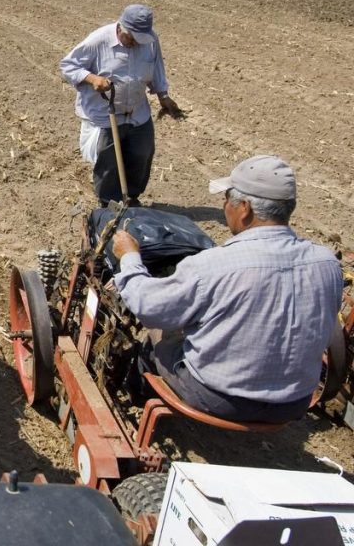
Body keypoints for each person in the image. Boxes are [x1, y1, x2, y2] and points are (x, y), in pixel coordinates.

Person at [111, 155, 342, 423]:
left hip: (219, 399)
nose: (224, 206)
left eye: (227, 198)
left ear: (244, 208)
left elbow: (148, 307)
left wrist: (129, 257)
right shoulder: (327, 263)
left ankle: (138, 396)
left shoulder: (213, 265)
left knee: (157, 334)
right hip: (295, 401)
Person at [60, 4, 183, 206]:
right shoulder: (98, 40)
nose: (135, 43)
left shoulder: (149, 41)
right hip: (106, 113)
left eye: (139, 40)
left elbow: (157, 67)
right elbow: (68, 66)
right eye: (131, 38)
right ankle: (108, 204)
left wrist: (163, 96)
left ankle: (131, 198)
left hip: (137, 112)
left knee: (142, 155)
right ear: (121, 28)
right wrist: (92, 79)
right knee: (108, 163)